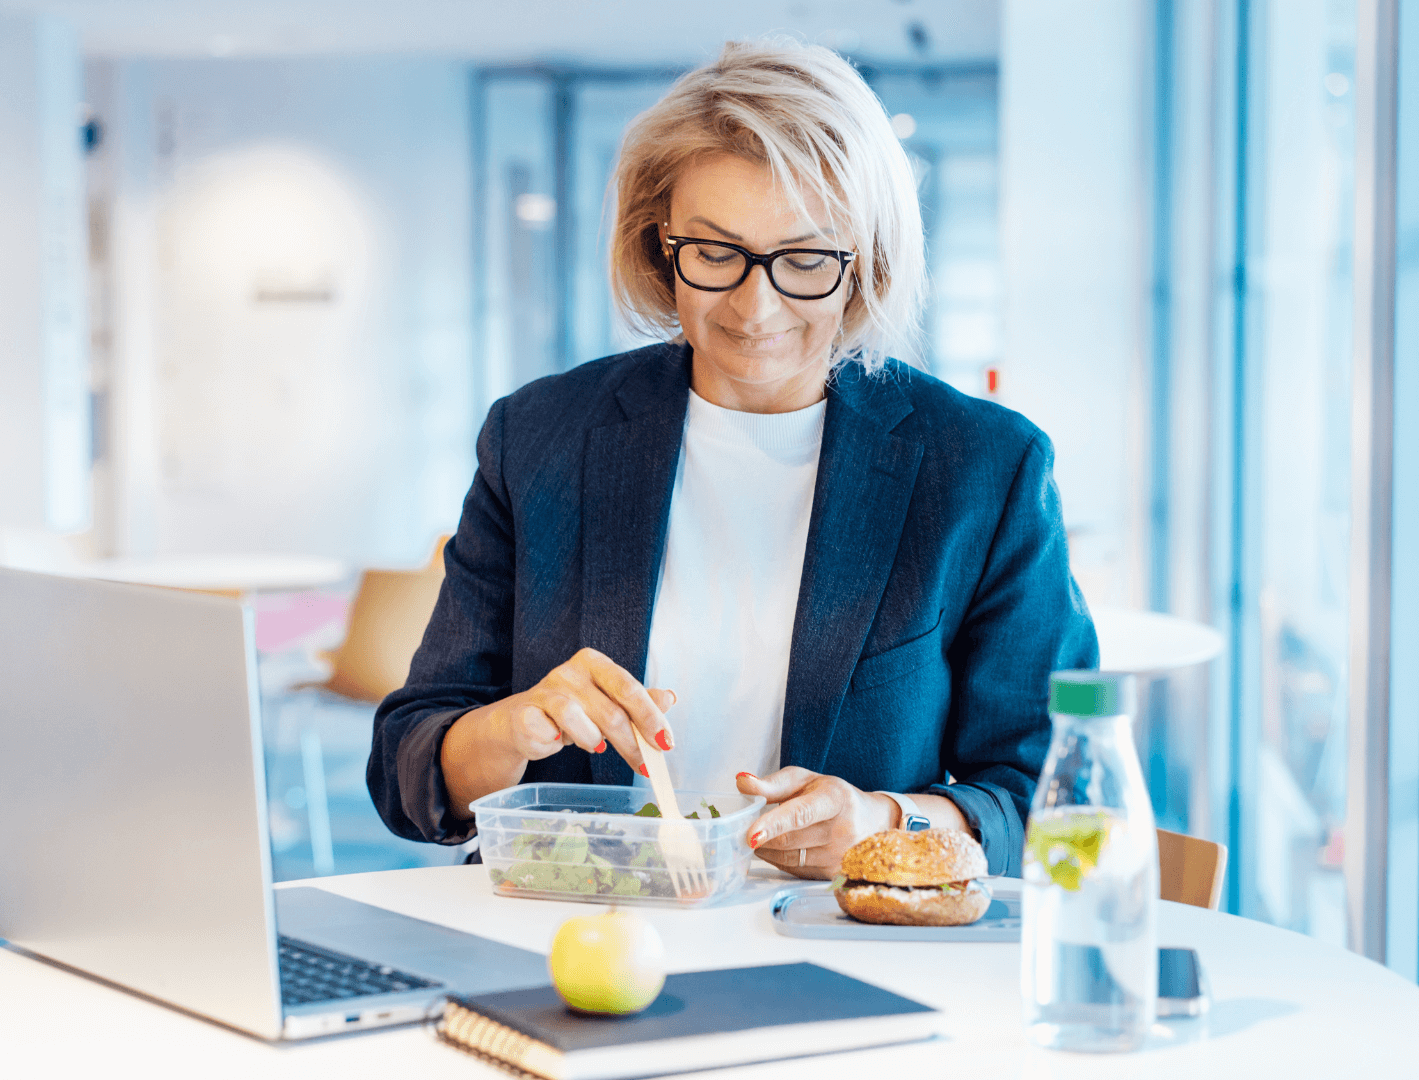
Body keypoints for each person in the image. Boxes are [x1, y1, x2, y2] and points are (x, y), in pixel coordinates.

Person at [368, 38, 1095, 879]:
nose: (756, 306)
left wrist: (885, 821)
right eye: (716, 254)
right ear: (658, 245)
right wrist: (508, 729)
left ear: (866, 265)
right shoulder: (539, 439)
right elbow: (404, 766)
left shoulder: (981, 470)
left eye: (806, 259)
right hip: (570, 936)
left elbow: (1054, 799)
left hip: (840, 958)